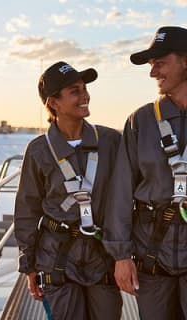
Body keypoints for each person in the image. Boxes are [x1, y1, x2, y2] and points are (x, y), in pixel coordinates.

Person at [14, 61, 122, 319]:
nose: (85, 96)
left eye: (84, 88)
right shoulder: (38, 151)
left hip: (102, 256)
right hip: (56, 258)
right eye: (75, 91)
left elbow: (125, 197)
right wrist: (28, 266)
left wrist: (124, 254)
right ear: (53, 103)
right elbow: (27, 210)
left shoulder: (110, 141)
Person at [103, 26, 187, 319]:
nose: (153, 73)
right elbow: (121, 191)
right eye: (151, 65)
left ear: (185, 60)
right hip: (152, 258)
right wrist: (121, 256)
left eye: (160, 62)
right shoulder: (141, 121)